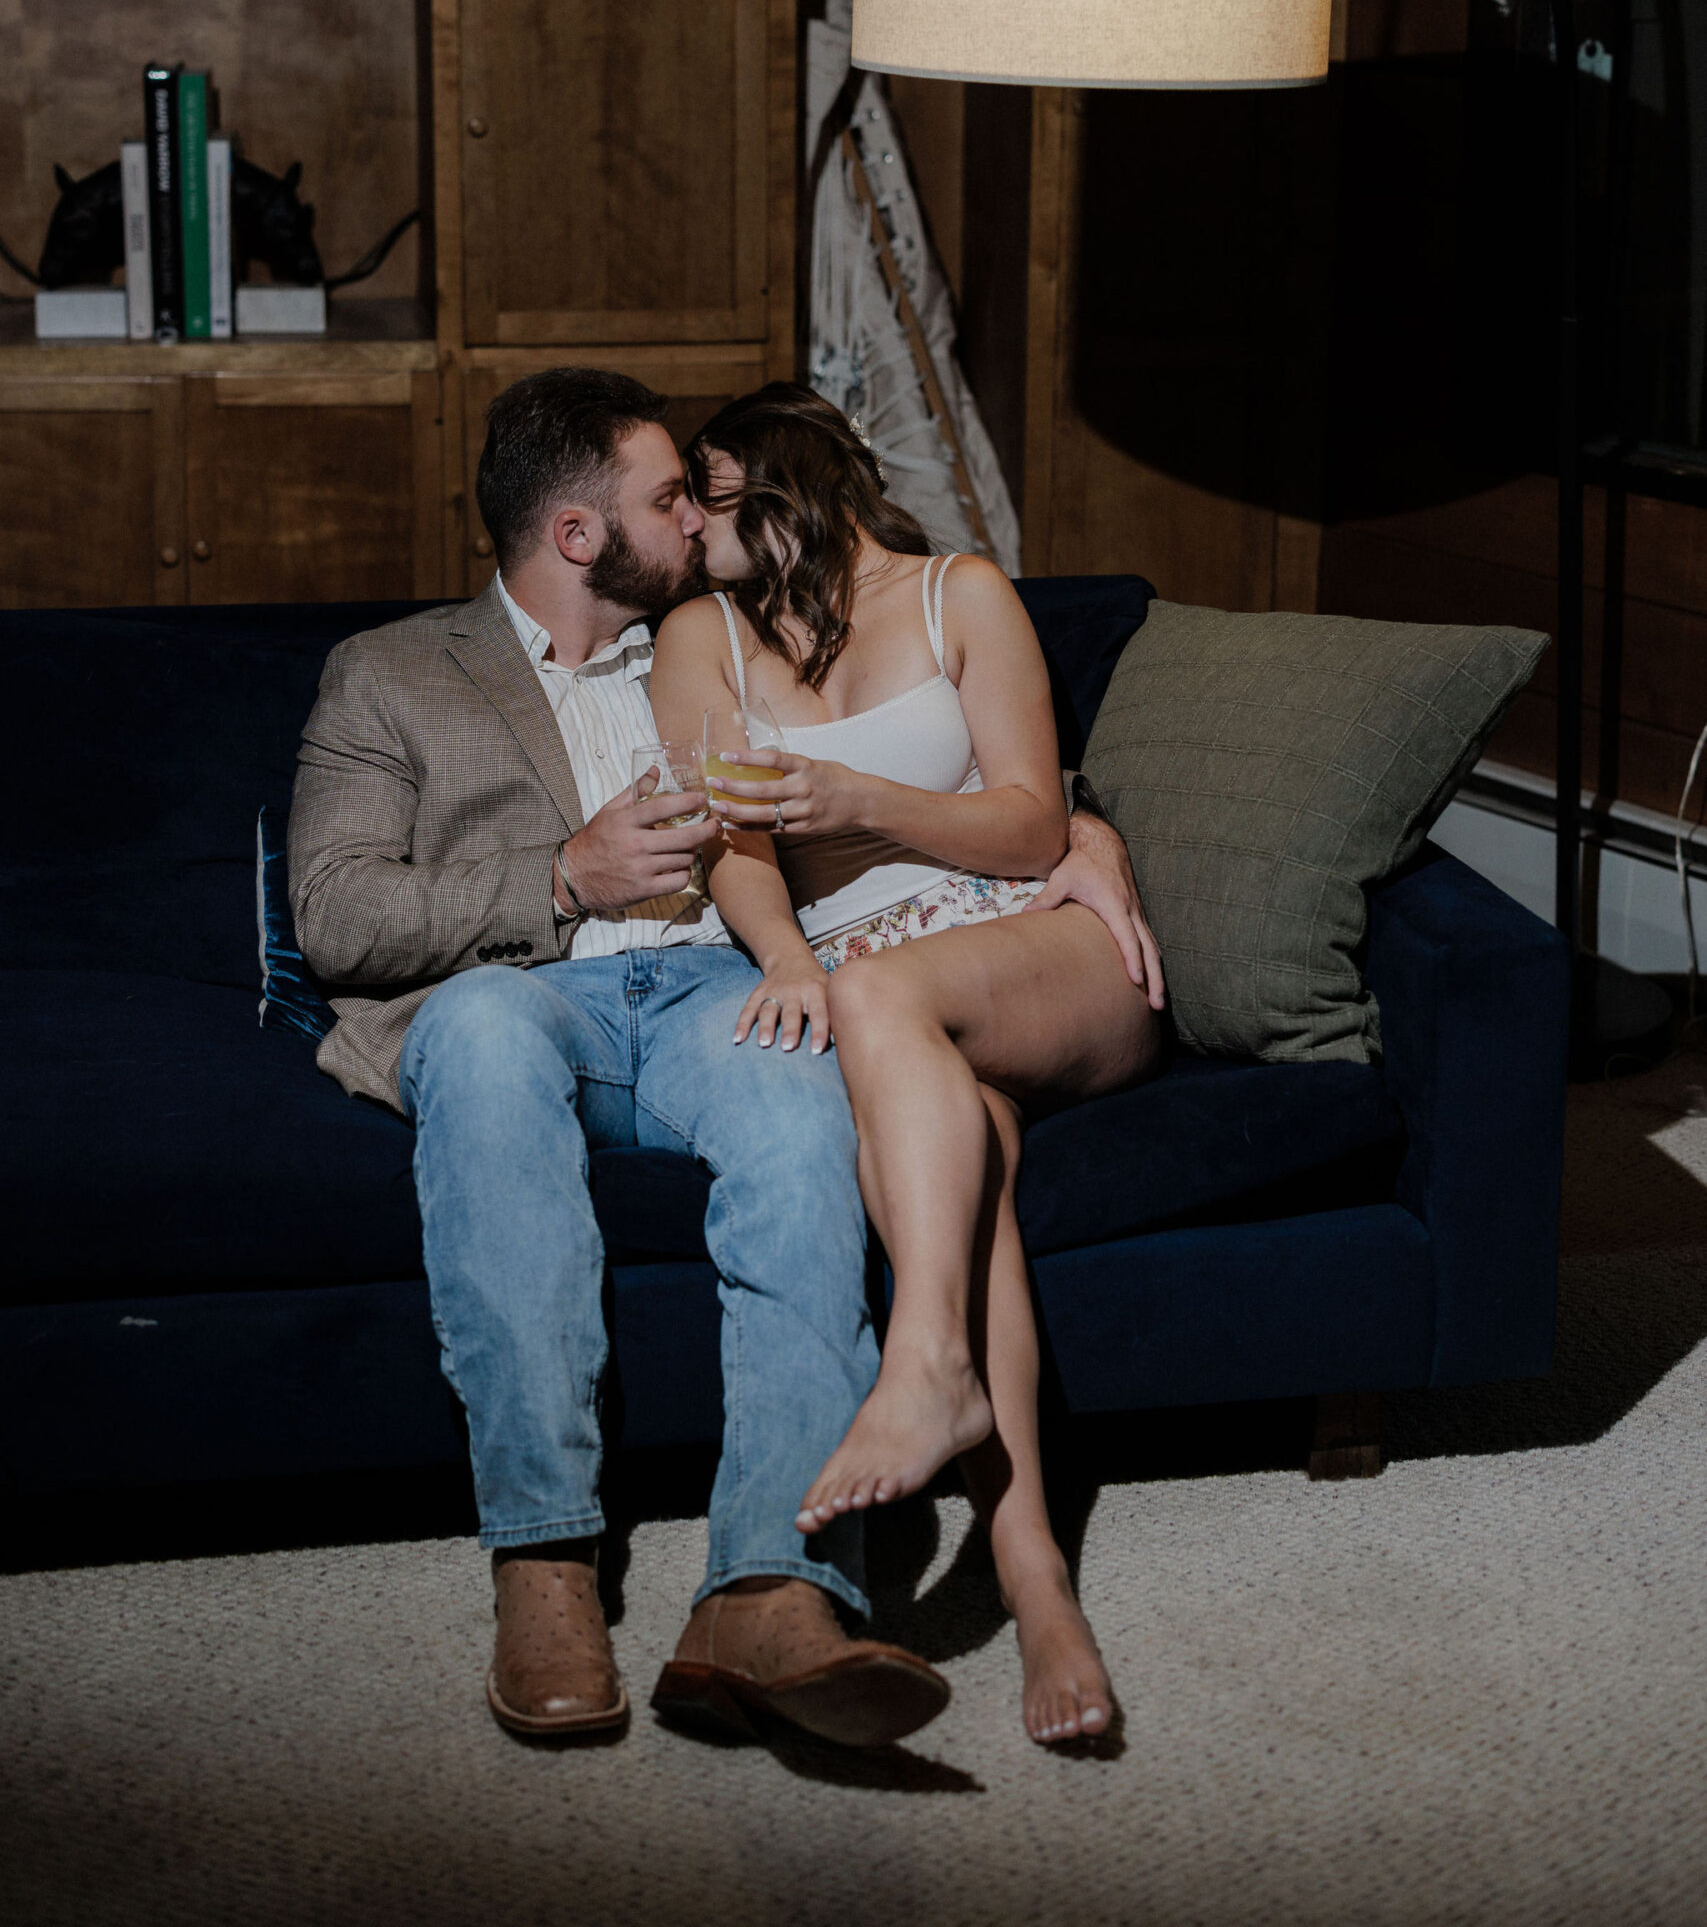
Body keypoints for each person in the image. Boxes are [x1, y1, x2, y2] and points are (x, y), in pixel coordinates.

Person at [288, 366, 1143, 1753]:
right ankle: (548, 1561)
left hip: (715, 991)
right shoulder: (390, 671)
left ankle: (771, 1581)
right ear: (577, 534)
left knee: (809, 1102)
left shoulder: (718, 636)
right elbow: (332, 912)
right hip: (523, 988)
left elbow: (952, 756)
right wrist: (564, 873)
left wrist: (1085, 834)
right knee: (487, 1040)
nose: (698, 518)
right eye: (668, 497)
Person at [649, 384, 1168, 1748]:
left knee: (890, 998)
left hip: (1030, 953)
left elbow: (1029, 823)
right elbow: (731, 845)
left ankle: (927, 1363)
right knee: (970, 1161)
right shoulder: (699, 637)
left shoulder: (960, 597)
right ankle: (1034, 1573)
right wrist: (783, 960)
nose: (682, 532)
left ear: (777, 491)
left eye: (700, 496)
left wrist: (863, 802)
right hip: (880, 1000)